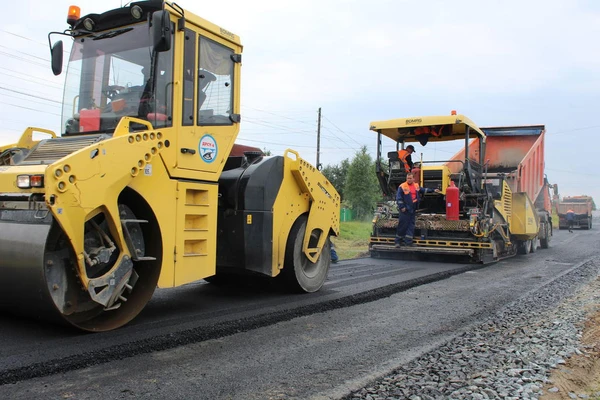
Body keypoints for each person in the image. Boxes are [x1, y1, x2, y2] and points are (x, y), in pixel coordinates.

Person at [395, 173, 440, 247]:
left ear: (413, 179)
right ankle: (398, 242)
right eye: (408, 178)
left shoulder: (416, 186)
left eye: (410, 178)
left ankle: (408, 242)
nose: (409, 180)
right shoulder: (402, 186)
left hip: (412, 208)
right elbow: (398, 198)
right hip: (405, 209)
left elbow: (423, 190)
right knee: (402, 225)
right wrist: (402, 207)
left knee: (411, 225)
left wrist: (433, 190)